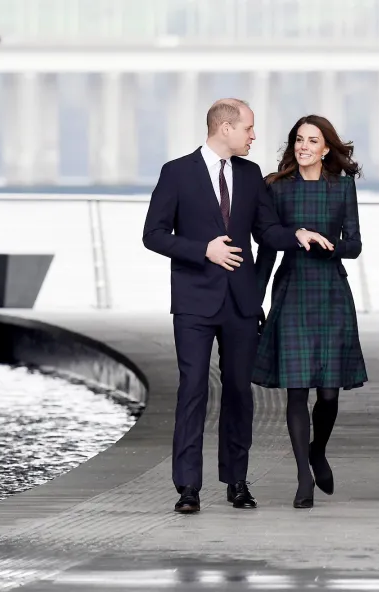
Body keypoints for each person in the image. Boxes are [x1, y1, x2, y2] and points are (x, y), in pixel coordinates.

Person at [142, 98, 333, 514]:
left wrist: (297, 233)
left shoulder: (250, 177)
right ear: (225, 128)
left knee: (238, 395)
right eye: (248, 128)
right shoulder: (176, 173)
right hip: (193, 301)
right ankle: (188, 487)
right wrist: (202, 250)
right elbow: (153, 235)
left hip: (242, 302)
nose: (253, 135)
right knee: (192, 390)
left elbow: (265, 230)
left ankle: (237, 482)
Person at [253, 115, 368, 509]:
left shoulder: (341, 187)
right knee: (297, 389)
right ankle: (304, 475)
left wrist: (329, 246)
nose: (303, 146)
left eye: (311, 140)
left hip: (332, 291)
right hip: (292, 290)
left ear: (325, 148)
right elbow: (266, 248)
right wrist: (253, 301)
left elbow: (354, 244)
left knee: (330, 394)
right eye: (298, 140)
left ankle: (318, 450)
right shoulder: (276, 188)